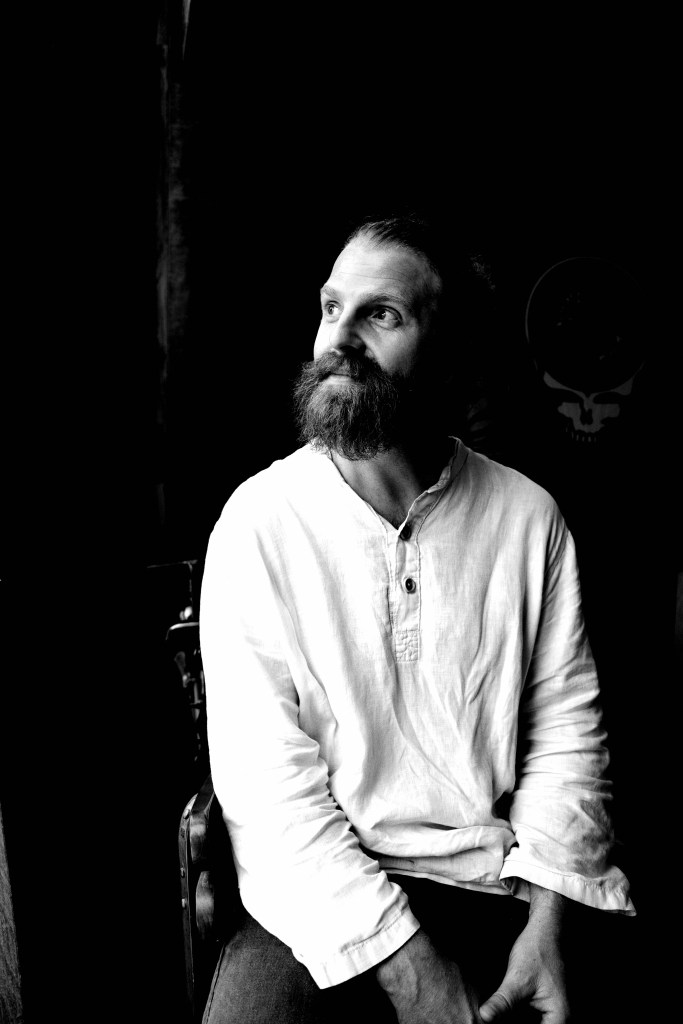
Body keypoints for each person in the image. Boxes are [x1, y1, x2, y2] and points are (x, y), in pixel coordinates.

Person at [199, 214, 635, 1023]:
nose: (339, 340)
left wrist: (548, 926)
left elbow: (567, 742)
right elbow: (268, 793)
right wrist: (411, 971)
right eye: (332, 307)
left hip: (497, 887)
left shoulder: (526, 518)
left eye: (381, 315)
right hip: (317, 898)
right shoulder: (258, 523)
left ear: (451, 352)